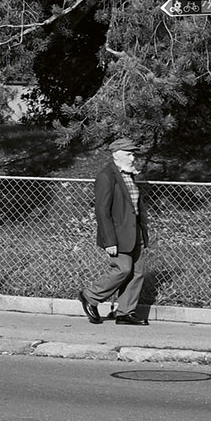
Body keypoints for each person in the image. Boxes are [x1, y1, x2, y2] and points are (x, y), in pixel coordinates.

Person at [78, 135, 150, 325]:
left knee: (137, 272)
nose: (133, 158)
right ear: (116, 155)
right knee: (123, 269)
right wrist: (109, 241)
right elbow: (102, 211)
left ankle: (125, 312)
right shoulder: (106, 176)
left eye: (133, 154)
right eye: (129, 154)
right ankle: (90, 296)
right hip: (118, 235)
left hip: (136, 232)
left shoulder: (129, 174)